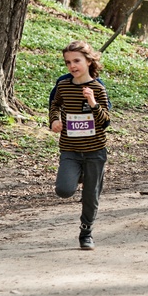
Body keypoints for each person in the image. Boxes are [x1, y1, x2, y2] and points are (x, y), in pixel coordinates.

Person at [49, 41, 111, 250]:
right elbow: (55, 105)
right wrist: (54, 120)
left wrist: (93, 103)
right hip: (70, 150)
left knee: (90, 196)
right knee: (64, 190)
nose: (72, 66)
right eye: (68, 62)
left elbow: (105, 122)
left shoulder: (97, 88)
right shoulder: (64, 86)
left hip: (95, 152)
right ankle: (78, 174)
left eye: (77, 61)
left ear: (88, 61)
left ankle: (86, 233)